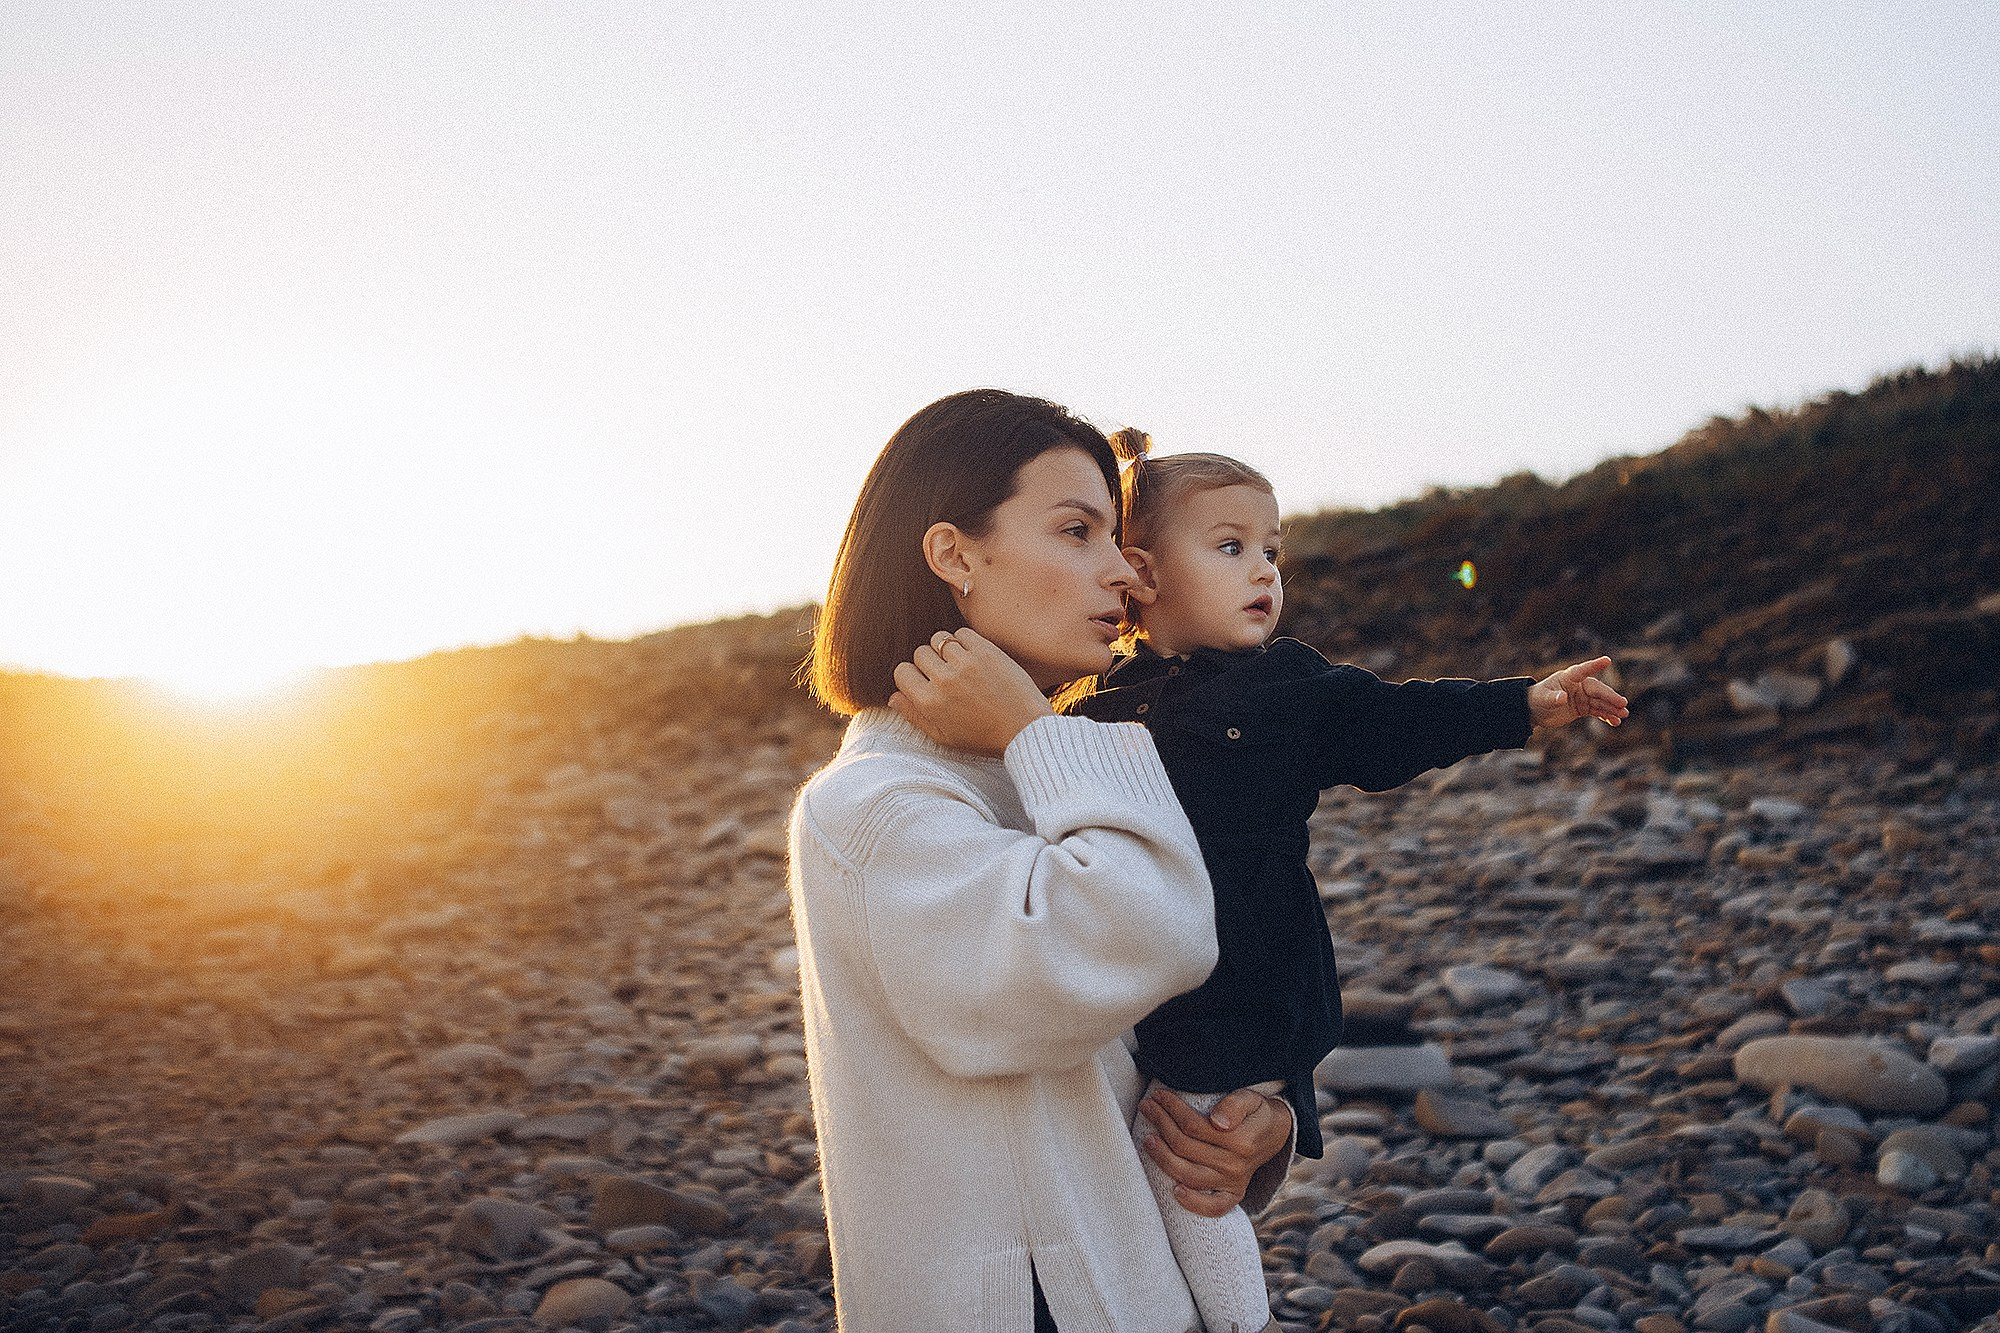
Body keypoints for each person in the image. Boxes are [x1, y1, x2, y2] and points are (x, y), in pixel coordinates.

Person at [1059, 431, 1630, 1333]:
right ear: (1142, 572)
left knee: (1191, 1187)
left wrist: (1524, 702)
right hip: (1135, 997)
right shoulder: (1090, 708)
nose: (1265, 572)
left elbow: (1393, 719)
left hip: (1239, 999)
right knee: (1127, 1191)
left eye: (1273, 550)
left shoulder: (1287, 688)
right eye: (1231, 546)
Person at [791, 389, 1297, 1333]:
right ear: (953, 554)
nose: (1130, 576)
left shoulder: (1030, 775)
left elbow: (1179, 1007)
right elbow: (1148, 935)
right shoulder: (874, 808)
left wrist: (1254, 1122)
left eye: (1120, 537)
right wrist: (1036, 727)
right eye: (1078, 530)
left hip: (1127, 1286)